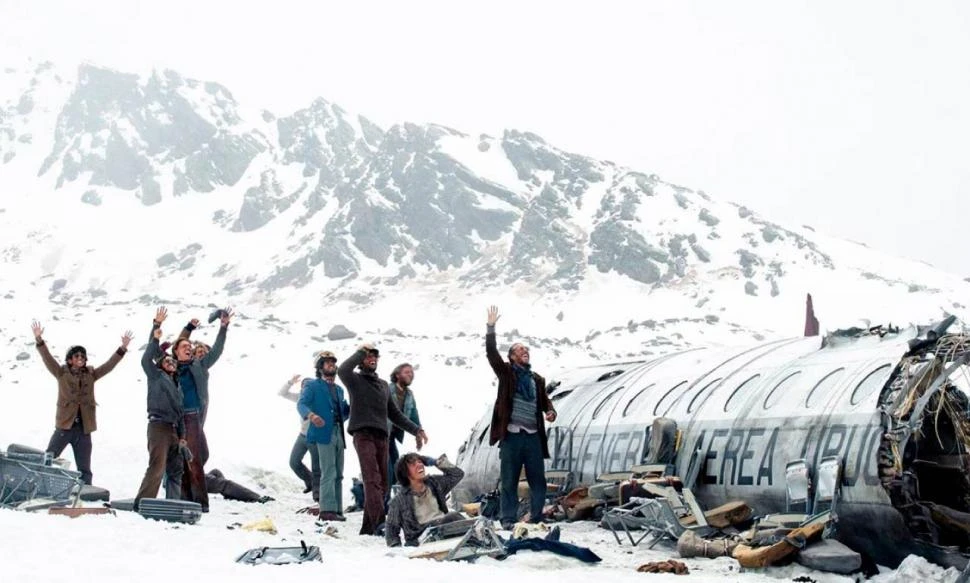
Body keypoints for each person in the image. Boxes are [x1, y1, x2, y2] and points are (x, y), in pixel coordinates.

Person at [337, 343, 429, 536]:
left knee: (385, 483)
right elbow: (343, 369)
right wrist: (361, 351)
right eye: (368, 356)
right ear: (362, 361)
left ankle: (368, 528)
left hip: (382, 437)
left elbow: (394, 414)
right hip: (363, 435)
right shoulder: (355, 380)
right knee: (372, 479)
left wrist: (416, 430)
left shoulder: (382, 386)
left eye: (375, 356)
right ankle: (380, 523)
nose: (372, 359)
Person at [30, 320, 132, 485]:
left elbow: (108, 366)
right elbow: (47, 358)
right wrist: (39, 340)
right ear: (70, 360)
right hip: (64, 426)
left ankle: (86, 494)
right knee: (48, 458)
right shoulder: (61, 373)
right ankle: (36, 486)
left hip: (84, 429)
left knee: (84, 468)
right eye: (77, 355)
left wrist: (122, 349)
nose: (81, 358)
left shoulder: (91, 375)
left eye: (83, 356)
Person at [485, 306, 557, 529]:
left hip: (532, 437)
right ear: (512, 357)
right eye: (519, 350)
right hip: (512, 435)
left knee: (538, 480)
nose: (525, 351)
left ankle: (536, 516)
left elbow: (544, 400)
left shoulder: (536, 379)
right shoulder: (507, 373)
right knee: (510, 480)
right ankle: (508, 519)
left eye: (526, 349)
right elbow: (491, 354)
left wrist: (550, 410)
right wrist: (490, 328)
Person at [156, 306, 232, 512]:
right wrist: (187, 328)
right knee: (190, 459)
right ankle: (195, 501)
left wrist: (223, 328)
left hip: (193, 417)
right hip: (177, 419)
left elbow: (216, 350)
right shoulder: (170, 367)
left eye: (190, 346)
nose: (188, 348)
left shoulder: (198, 365)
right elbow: (172, 347)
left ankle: (194, 499)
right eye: (184, 347)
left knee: (198, 457)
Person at [134, 321, 187, 507]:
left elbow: (180, 413)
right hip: (158, 426)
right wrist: (155, 336)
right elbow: (145, 360)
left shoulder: (177, 385)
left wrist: (182, 437)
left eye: (173, 361)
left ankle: (173, 504)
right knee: (157, 467)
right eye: (167, 360)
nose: (171, 362)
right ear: (160, 365)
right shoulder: (155, 375)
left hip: (173, 429)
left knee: (175, 470)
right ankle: (142, 503)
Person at [297, 351, 350, 521]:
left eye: (333, 362)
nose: (331, 365)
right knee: (328, 471)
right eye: (327, 363)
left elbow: (343, 413)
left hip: (338, 432)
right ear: (320, 367)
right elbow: (301, 404)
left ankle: (337, 509)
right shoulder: (312, 386)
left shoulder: (340, 390)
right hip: (322, 433)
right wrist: (312, 416)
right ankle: (327, 511)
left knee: (339, 473)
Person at [385, 453, 465, 547]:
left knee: (458, 518)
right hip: (422, 539)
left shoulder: (435, 483)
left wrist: (436, 462)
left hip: (444, 529)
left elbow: (457, 474)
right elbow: (391, 530)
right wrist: (399, 550)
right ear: (405, 473)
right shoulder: (399, 500)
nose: (419, 465)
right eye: (413, 464)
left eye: (420, 461)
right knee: (453, 516)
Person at [279, 373, 320, 501]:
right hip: (302, 436)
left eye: (308, 386)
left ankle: (318, 494)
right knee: (294, 462)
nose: (305, 388)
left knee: (317, 466)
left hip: (315, 437)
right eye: (303, 386)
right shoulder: (300, 398)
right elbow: (282, 393)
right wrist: (290, 382)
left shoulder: (318, 399)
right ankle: (310, 482)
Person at [386, 363, 422, 489]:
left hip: (392, 436)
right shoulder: (387, 389)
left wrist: (419, 432)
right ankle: (385, 501)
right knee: (387, 469)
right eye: (407, 372)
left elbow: (413, 415)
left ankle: (393, 499)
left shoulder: (409, 394)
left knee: (396, 467)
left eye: (412, 372)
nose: (410, 374)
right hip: (382, 433)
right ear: (397, 375)